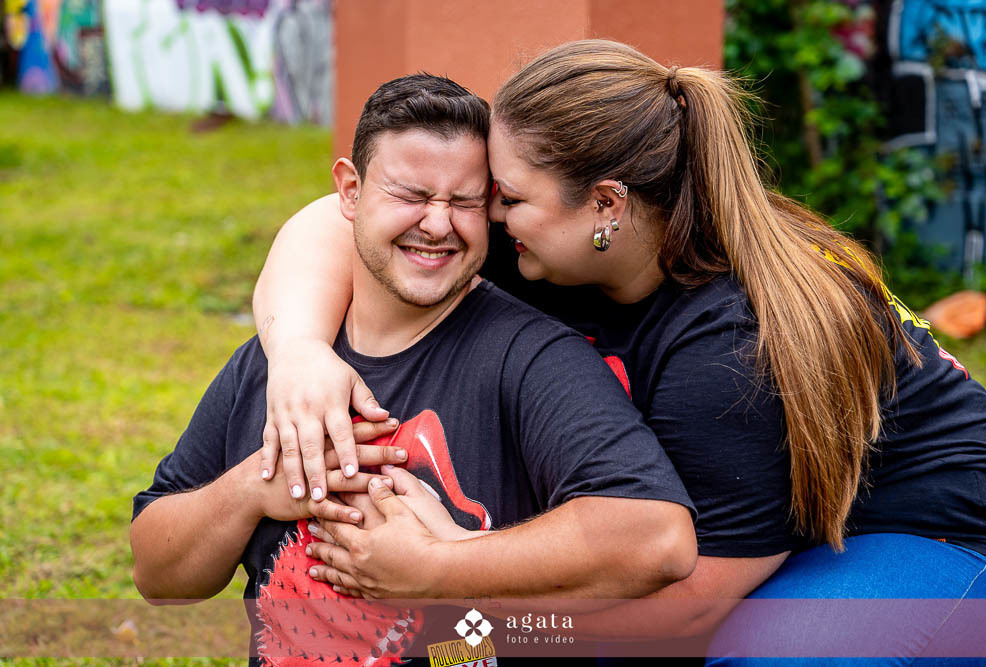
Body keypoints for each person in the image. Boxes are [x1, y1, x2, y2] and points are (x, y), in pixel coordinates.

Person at [251, 40, 986, 662]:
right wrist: (298, 354)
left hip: (941, 542)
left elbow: (677, 616)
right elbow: (332, 221)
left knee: (769, 653)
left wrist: (441, 581)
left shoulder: (727, 349)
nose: (481, 218)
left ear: (606, 204)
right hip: (772, 538)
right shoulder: (581, 238)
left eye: (504, 197)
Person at [130, 71, 697, 665]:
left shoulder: (535, 361)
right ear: (349, 192)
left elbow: (655, 537)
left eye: (464, 202)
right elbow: (156, 574)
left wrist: (439, 563)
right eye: (409, 195)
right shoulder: (280, 361)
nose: (436, 223)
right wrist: (249, 492)